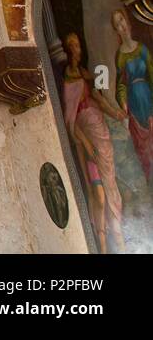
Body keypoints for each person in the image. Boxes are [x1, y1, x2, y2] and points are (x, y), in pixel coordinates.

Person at [61, 31, 127, 252]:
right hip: (86, 133)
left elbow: (98, 97)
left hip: (99, 128)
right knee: (97, 192)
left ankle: (117, 237)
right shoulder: (67, 78)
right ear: (66, 49)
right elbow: (70, 117)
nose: (75, 49)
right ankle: (102, 245)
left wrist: (115, 112)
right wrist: (86, 143)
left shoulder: (85, 74)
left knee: (109, 183)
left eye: (77, 45)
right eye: (71, 45)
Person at [113, 8, 153, 183]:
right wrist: (123, 102)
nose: (121, 25)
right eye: (117, 24)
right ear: (116, 30)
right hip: (134, 105)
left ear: (126, 21)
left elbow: (152, 73)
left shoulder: (142, 49)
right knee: (144, 147)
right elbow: (121, 84)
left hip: (149, 99)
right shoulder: (120, 56)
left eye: (121, 20)